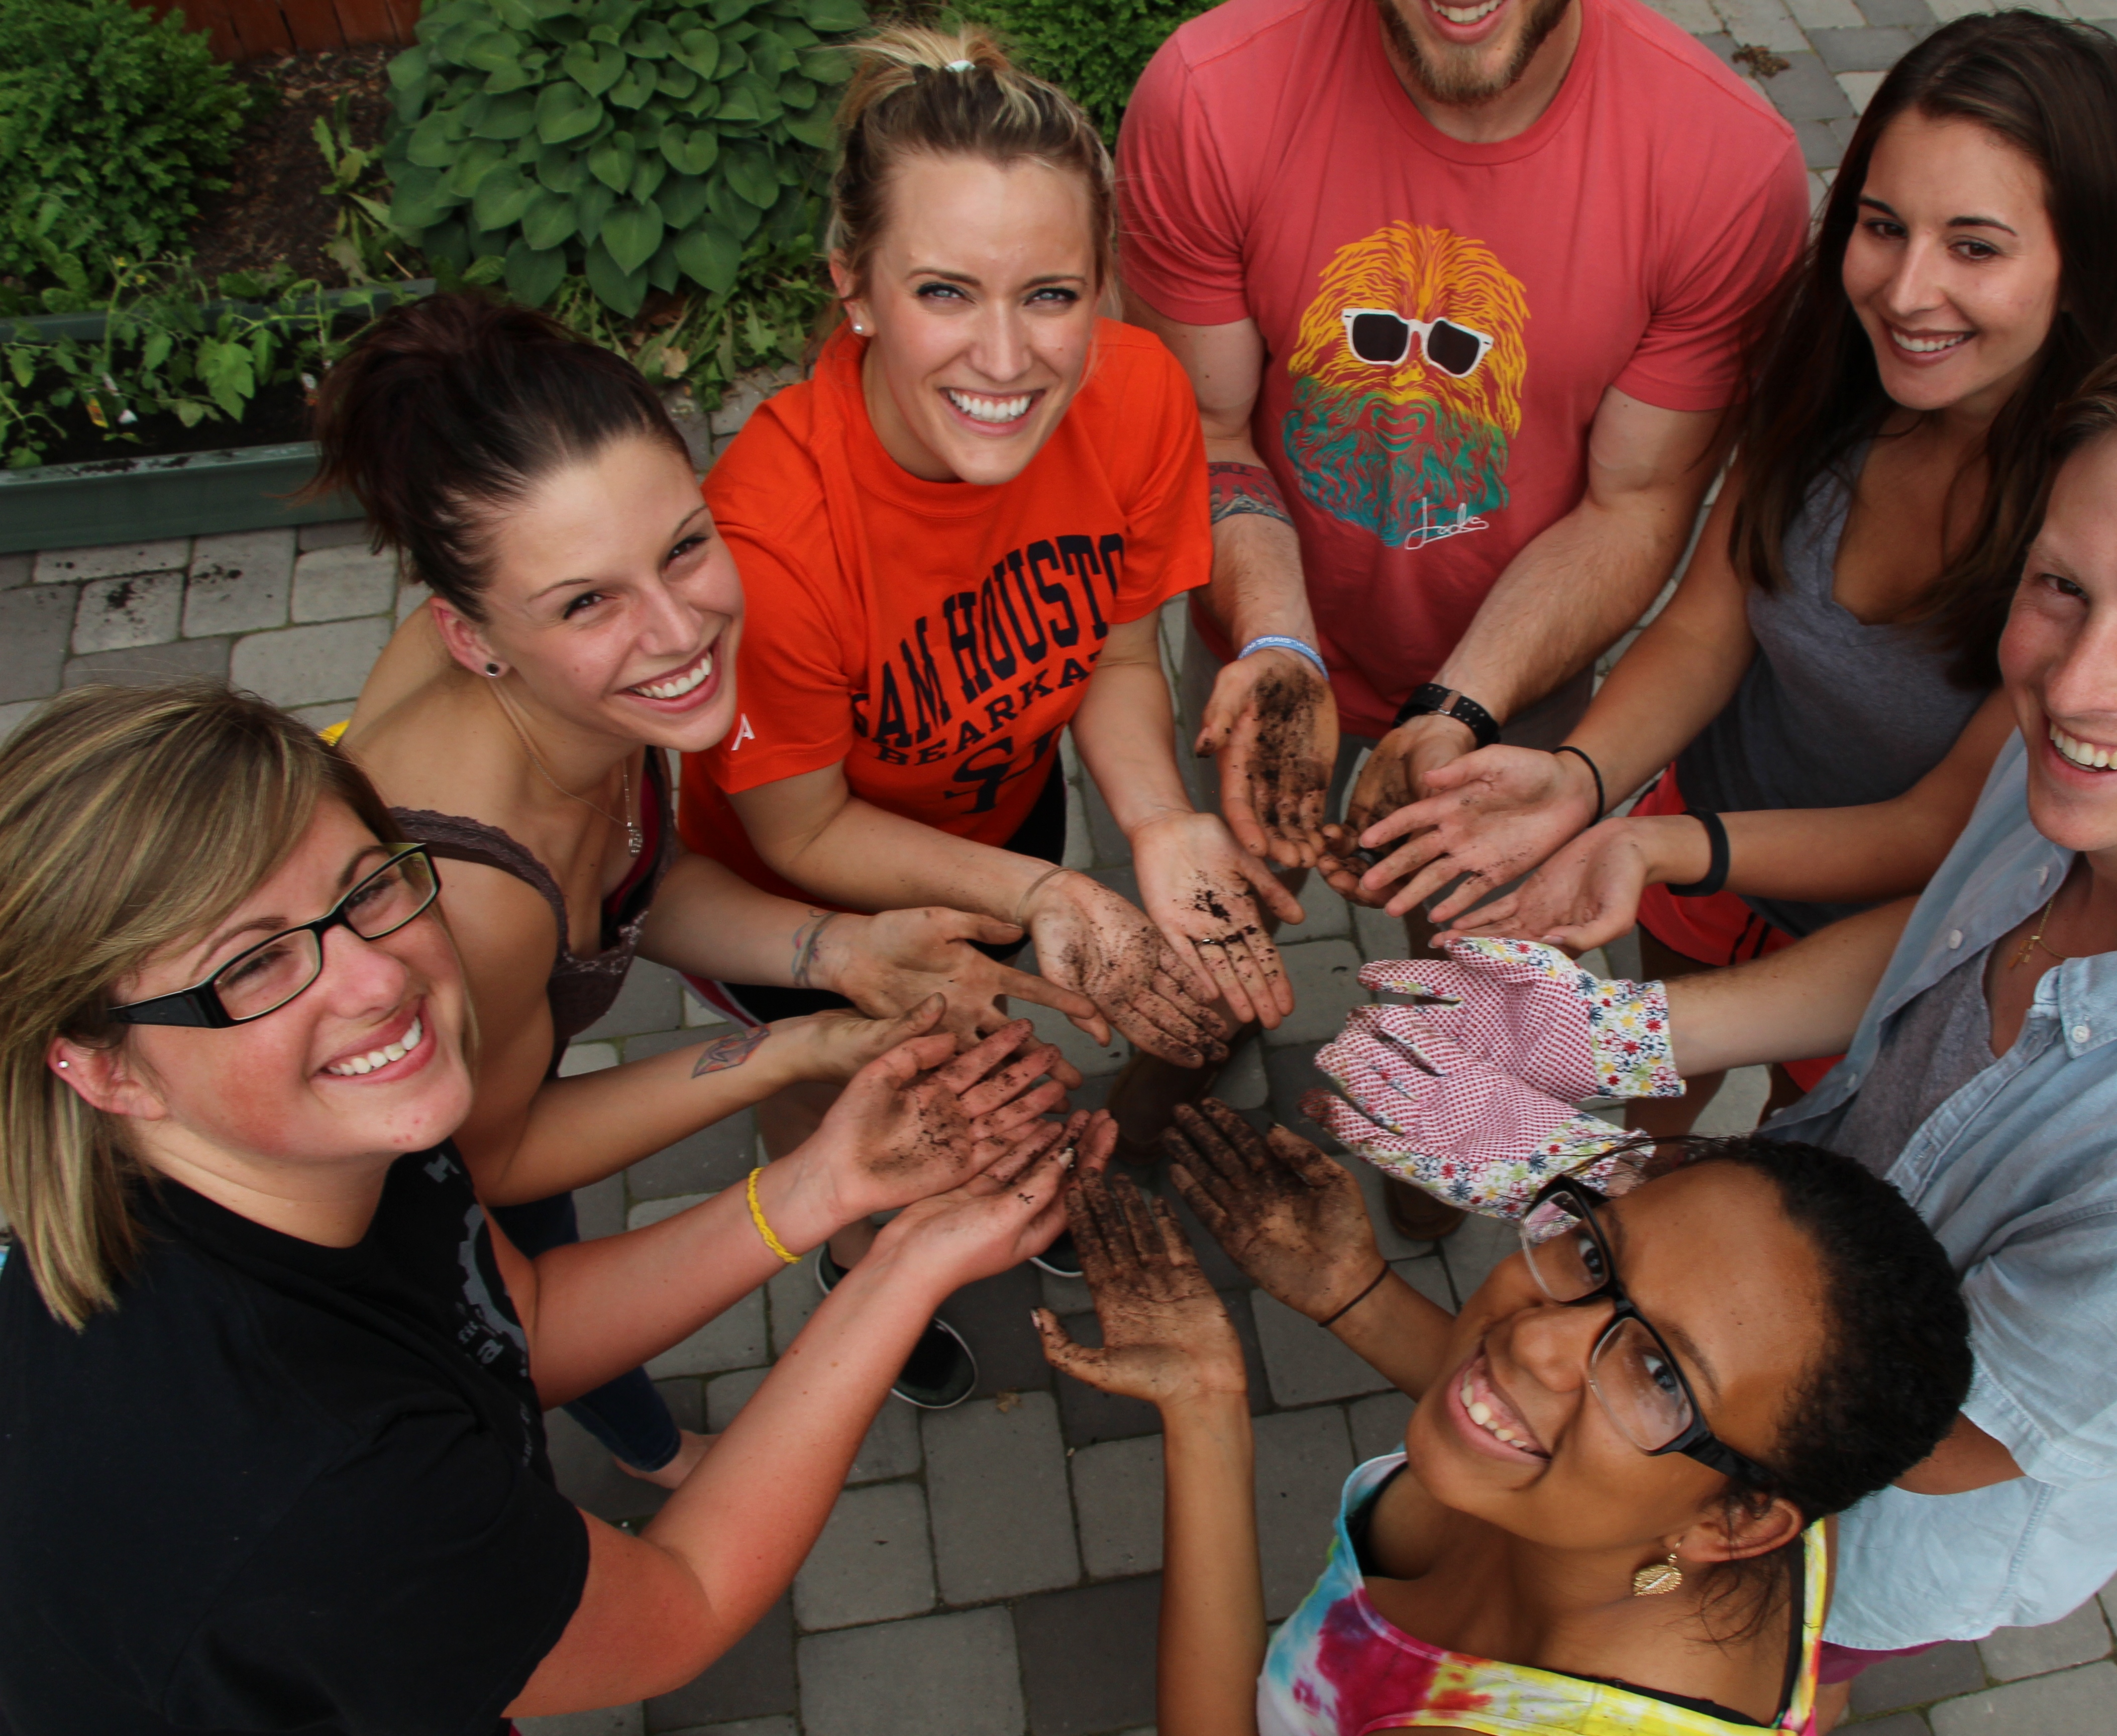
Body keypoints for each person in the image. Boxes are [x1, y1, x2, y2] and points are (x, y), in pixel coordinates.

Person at [1310, 326, 2117, 1717]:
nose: (2074, 686)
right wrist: (1620, 1039)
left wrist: (1564, 1183)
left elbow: (1935, 1437)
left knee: (1754, 1674)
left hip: (1858, 1530)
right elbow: (1947, 943)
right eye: (2062, 587)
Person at [0, 682, 1106, 1733]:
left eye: (369, 888)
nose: (377, 980)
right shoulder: (326, 1486)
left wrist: (828, 1184)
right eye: (254, 966)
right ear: (103, 1070)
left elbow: (508, 1327)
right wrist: (904, 1266)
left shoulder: (313, 1146)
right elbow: (679, 1606)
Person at [1351, 12, 2117, 1137]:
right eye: (1881, 226)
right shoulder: (1829, 368)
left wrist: (1647, 841)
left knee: (1796, 1134)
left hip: (1893, 933)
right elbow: (1704, 626)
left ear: (2081, 264)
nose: (1906, 292)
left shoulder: (2101, 519)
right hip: (1696, 865)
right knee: (1642, 1114)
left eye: (1975, 247)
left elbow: (1934, 826)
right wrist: (1581, 784)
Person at [328, 293, 1093, 1440]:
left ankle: (640, 1445)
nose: (678, 631)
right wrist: (794, 1045)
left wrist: (836, 947)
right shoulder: (473, 903)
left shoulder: (568, 701)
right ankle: (651, 1459)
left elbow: (638, 878)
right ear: (468, 635)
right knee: (518, 1309)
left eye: (685, 547)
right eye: (588, 602)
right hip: (385, 1178)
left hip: (474, 1076)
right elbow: (501, 1153)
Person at [1114, 0, 1809, 1231]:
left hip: (1518, 674)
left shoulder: (1722, 161)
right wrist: (1278, 638)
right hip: (1257, 637)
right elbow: (1204, 433)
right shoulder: (1210, 90)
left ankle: (1425, 1125)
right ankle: (1187, 1045)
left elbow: (1636, 502)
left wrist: (1455, 705)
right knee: (1209, 894)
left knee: (1461, 952)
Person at [683, 23, 1296, 1209]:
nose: (1006, 360)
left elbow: (1118, 650)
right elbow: (800, 832)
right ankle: (853, 1249)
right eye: (945, 293)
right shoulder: (767, 535)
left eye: (1051, 294)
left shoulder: (1137, 397)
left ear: (1103, 286)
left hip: (1002, 825)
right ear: (852, 288)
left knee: (975, 1061)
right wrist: (1041, 895)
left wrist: (1157, 823)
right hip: (799, 902)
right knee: (835, 1102)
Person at [1035, 1106, 1972, 1735]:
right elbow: (1532, 1433)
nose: (1536, 1346)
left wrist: (1203, 1410)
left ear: (1737, 1521)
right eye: (1596, 1261)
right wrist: (1352, 1292)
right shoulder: (1752, 1490)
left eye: (1659, 1374)